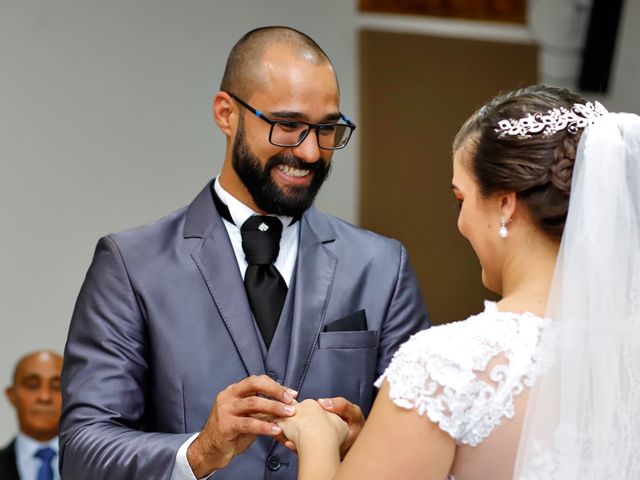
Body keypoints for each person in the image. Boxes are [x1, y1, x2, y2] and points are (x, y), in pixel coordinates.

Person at [59, 26, 429, 480]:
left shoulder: (382, 266)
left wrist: (365, 441)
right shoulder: (131, 264)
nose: (311, 151)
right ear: (226, 114)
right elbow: (83, 450)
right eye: (288, 125)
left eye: (327, 128)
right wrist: (201, 450)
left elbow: (421, 446)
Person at [276, 85, 640, 479]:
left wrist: (316, 437)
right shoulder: (626, 355)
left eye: (460, 200)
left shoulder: (446, 367)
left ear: (505, 203)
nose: (460, 222)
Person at [1, 350, 63, 480]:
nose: (44, 397)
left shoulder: (98, 467)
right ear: (11, 395)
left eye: (57, 386)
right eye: (32, 385)